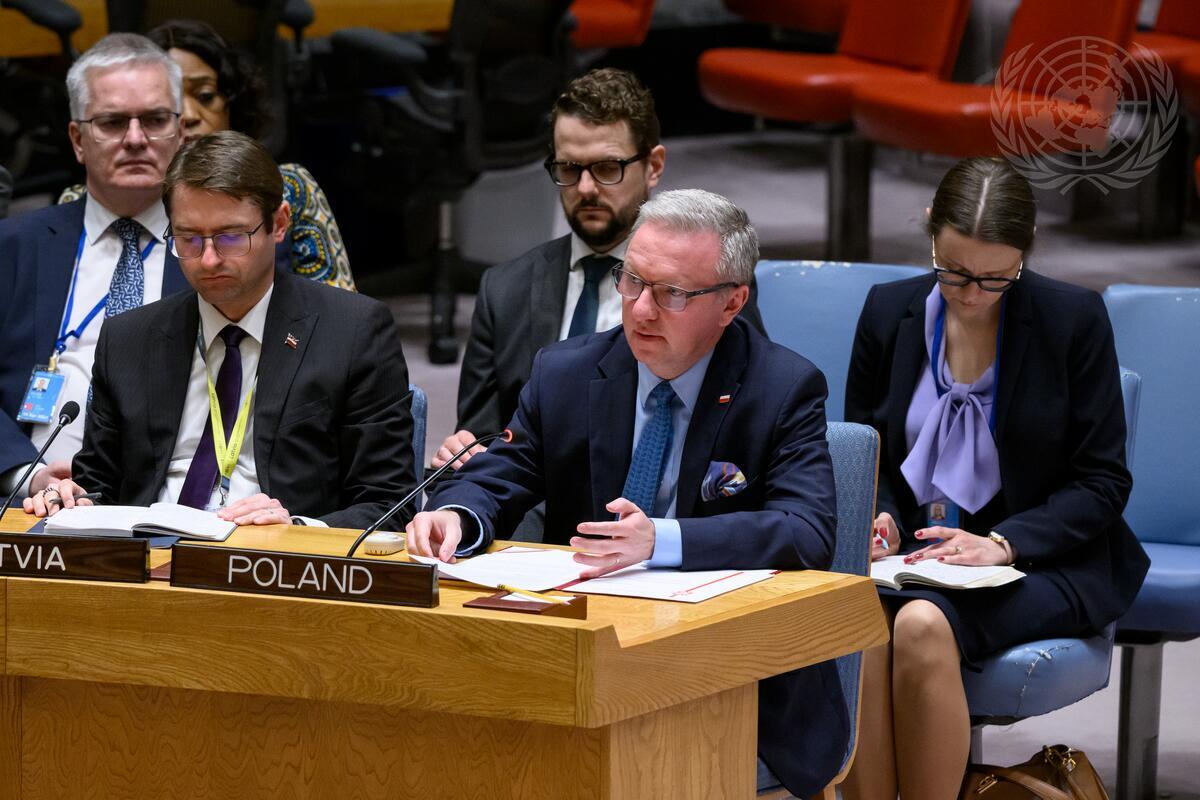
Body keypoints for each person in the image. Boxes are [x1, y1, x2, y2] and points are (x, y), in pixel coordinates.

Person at [409, 188, 847, 798]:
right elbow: (504, 472)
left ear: (732, 302)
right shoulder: (565, 372)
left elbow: (807, 531)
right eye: (632, 280)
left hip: (733, 680)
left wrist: (660, 541)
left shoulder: (783, 387)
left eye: (671, 293)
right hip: (580, 658)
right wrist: (458, 514)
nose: (640, 309)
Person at [841, 157, 1149, 800]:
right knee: (856, 621)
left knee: (922, 624)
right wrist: (884, 514)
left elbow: (1101, 482)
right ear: (931, 230)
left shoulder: (1073, 320)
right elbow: (866, 451)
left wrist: (1004, 544)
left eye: (995, 278)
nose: (972, 293)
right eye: (953, 272)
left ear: (1024, 252)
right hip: (917, 558)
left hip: (1044, 560)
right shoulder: (887, 311)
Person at [24, 130, 415, 530]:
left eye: (231, 237)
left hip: (271, 554)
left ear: (279, 224)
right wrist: (73, 498)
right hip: (148, 550)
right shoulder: (128, 339)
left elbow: (390, 502)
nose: (208, 260)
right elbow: (99, 486)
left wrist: (298, 530)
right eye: (189, 238)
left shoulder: (352, 331)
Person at [434, 68, 764, 477]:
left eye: (607, 168)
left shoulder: (709, 280)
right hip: (532, 506)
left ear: (654, 165)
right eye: (569, 168)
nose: (586, 188)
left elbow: (746, 420)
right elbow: (479, 439)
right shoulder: (504, 289)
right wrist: (464, 455)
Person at [0, 33, 188, 501]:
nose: (136, 139)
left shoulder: (223, 252)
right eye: (112, 122)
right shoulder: (15, 247)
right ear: (77, 139)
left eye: (155, 120)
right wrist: (25, 473)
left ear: (181, 131)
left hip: (171, 509)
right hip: (27, 503)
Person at [58, 19, 356, 290]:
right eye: (167, 106)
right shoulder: (92, 203)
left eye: (204, 96)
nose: (187, 115)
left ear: (232, 105)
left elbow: (338, 312)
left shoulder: (288, 188)